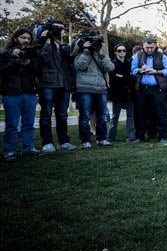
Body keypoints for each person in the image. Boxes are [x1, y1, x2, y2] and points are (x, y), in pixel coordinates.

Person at [36, 20, 77, 152]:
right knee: (46, 114)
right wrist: (47, 41)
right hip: (47, 83)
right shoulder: (41, 44)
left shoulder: (64, 46)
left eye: (62, 29)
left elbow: (71, 62)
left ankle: (63, 141)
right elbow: (44, 59)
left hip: (63, 85)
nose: (62, 31)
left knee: (62, 115)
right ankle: (47, 142)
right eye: (59, 29)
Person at [0, 29, 41, 159]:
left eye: (28, 38)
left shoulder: (32, 54)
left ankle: (28, 148)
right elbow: (2, 72)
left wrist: (29, 64)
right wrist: (14, 61)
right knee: (12, 124)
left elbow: (38, 73)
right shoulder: (6, 54)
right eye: (23, 37)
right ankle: (9, 150)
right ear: (16, 38)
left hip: (29, 93)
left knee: (29, 123)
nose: (26, 40)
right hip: (11, 93)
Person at [73, 34, 115, 148]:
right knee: (85, 116)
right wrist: (86, 52)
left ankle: (102, 139)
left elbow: (110, 68)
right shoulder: (81, 54)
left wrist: (102, 55)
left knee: (101, 116)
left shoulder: (101, 55)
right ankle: (85, 140)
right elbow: (79, 66)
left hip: (101, 89)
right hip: (85, 88)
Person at [131, 38, 167, 143]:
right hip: (142, 90)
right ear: (143, 46)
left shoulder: (162, 56)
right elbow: (133, 70)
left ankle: (163, 136)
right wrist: (141, 70)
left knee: (160, 113)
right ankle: (140, 137)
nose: (149, 49)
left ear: (155, 46)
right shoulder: (138, 56)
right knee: (140, 113)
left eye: (151, 47)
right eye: (147, 47)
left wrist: (156, 71)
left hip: (157, 89)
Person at [108, 44, 135, 142]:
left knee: (130, 116)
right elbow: (114, 78)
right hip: (117, 94)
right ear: (115, 52)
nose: (122, 52)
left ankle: (130, 137)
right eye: (119, 51)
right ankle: (110, 137)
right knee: (115, 116)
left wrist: (122, 77)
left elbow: (132, 78)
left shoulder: (129, 63)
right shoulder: (113, 63)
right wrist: (127, 77)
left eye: (124, 50)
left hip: (129, 93)